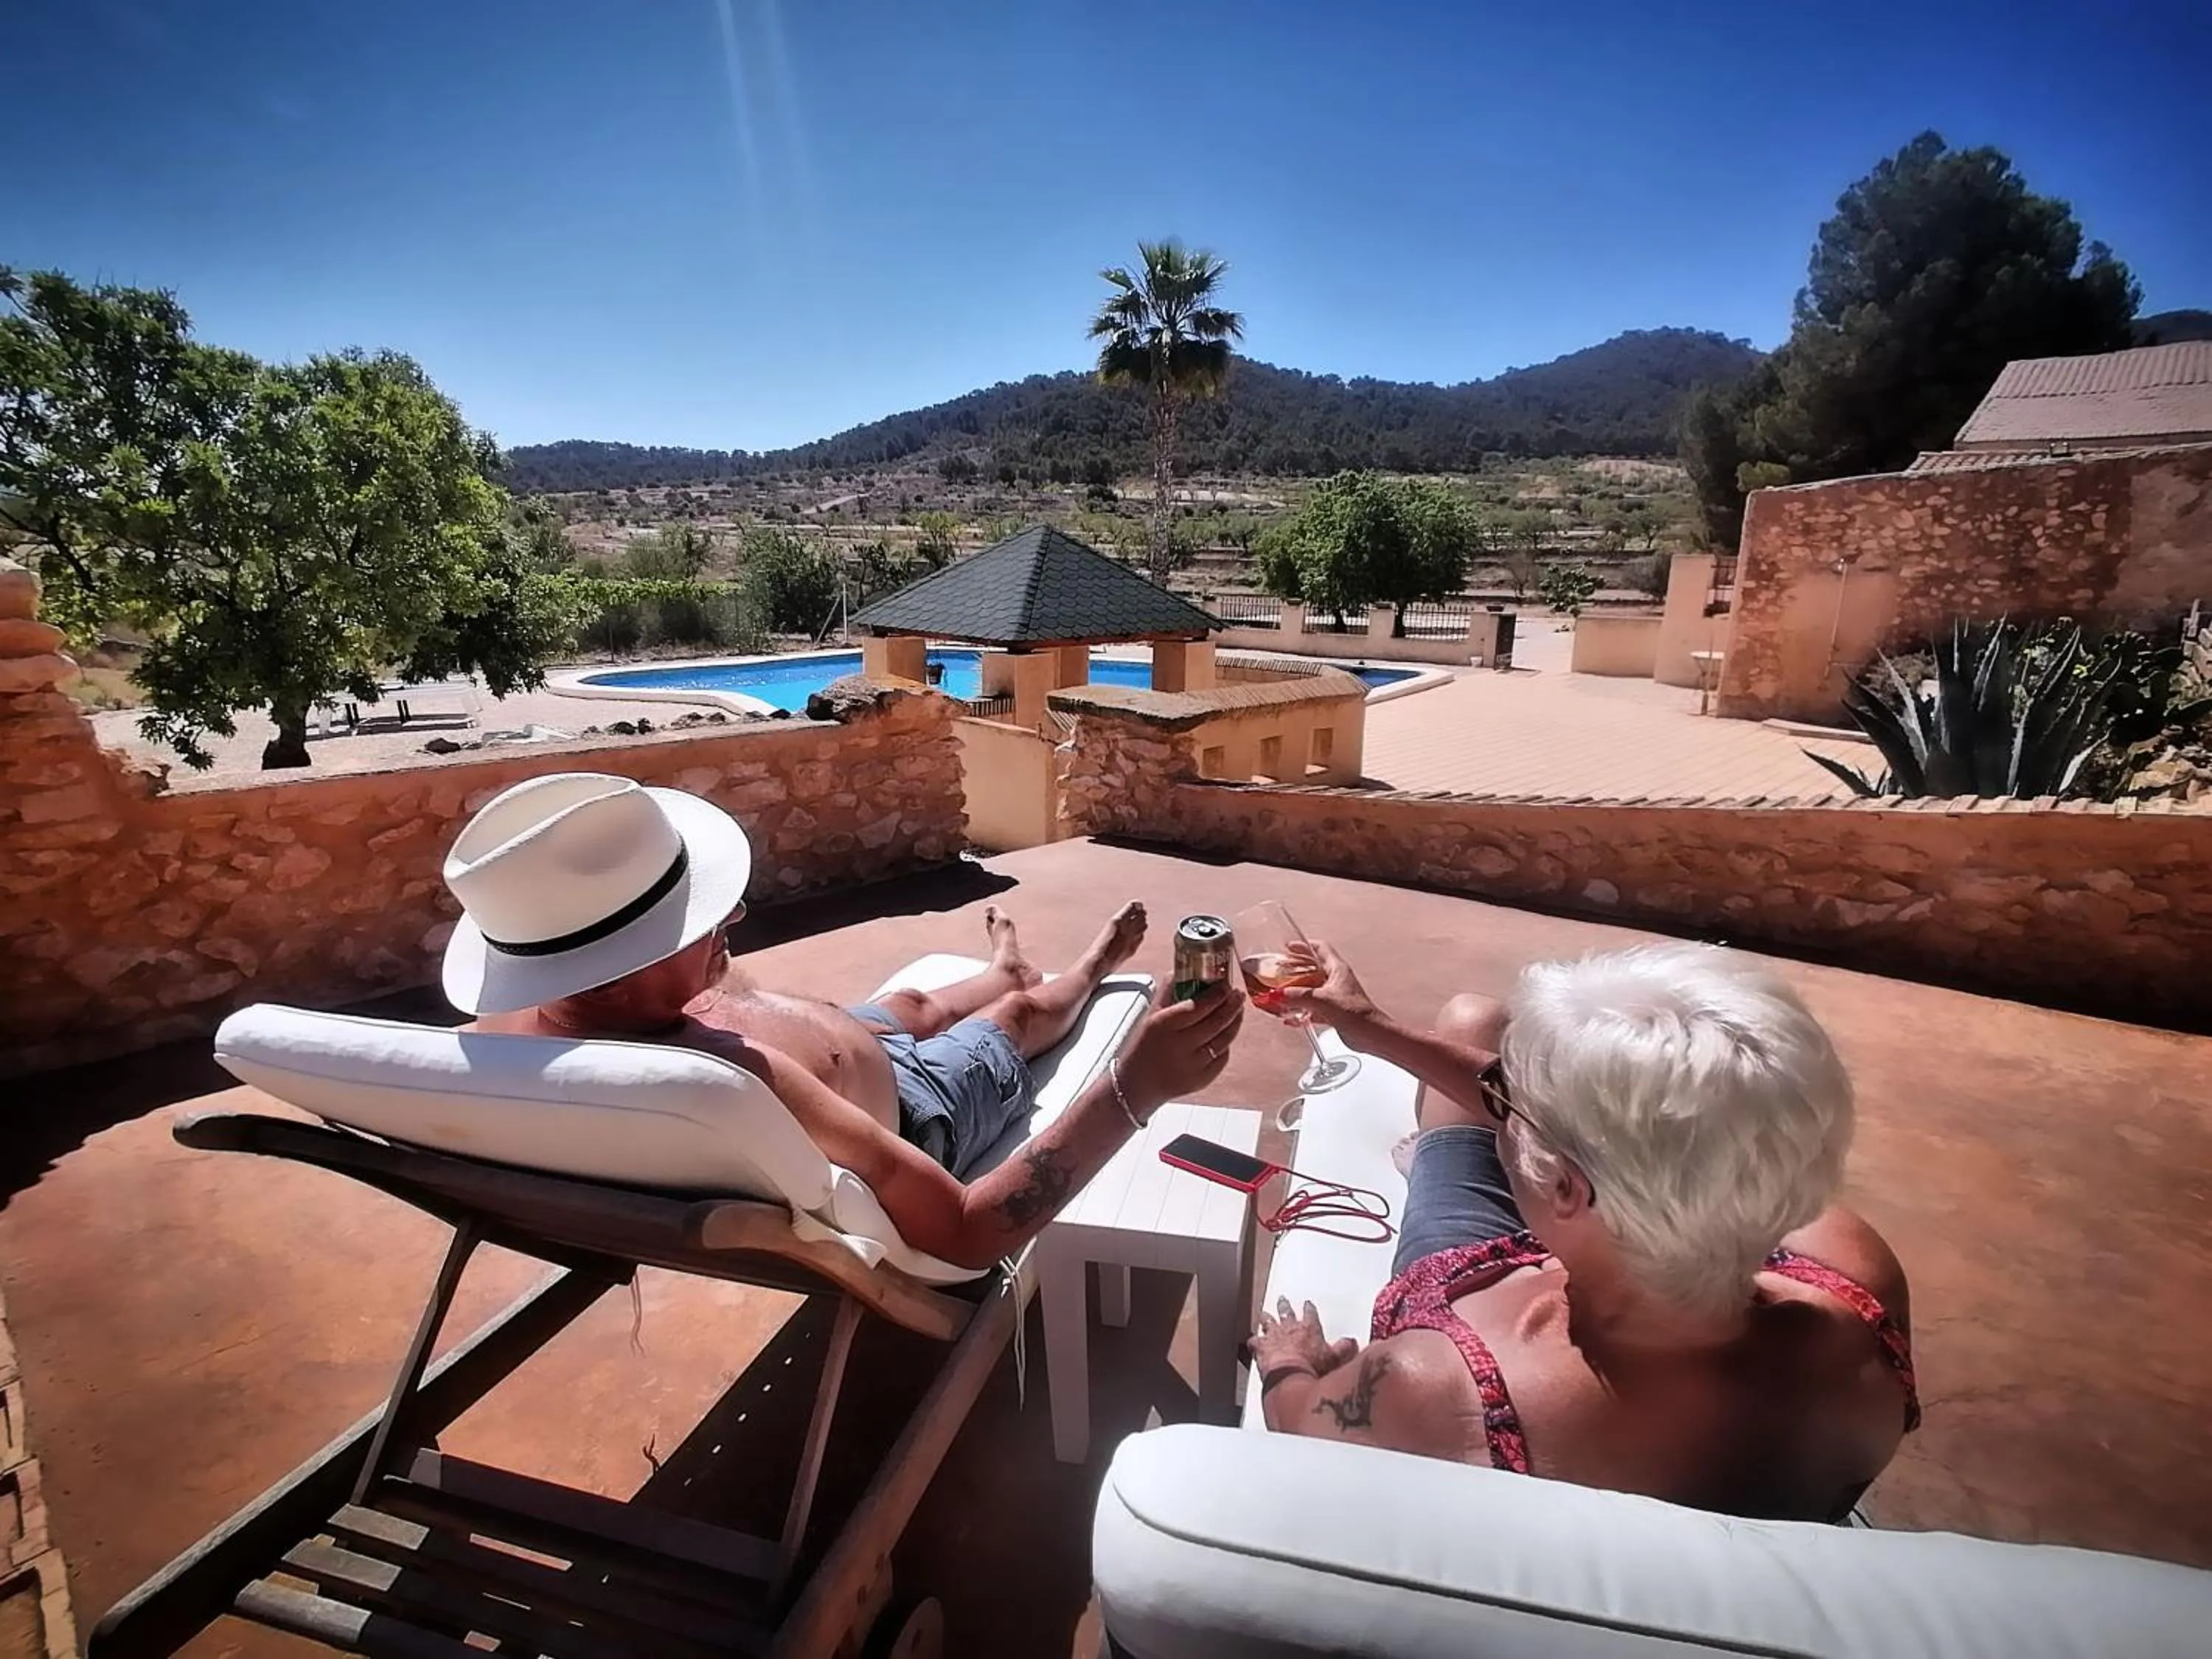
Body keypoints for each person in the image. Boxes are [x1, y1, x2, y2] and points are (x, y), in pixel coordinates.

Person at [439, 772, 1244, 1268]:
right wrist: (1136, 1084)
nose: (734, 917)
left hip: (845, 1047)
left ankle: (998, 965)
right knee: (1017, 1015)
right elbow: (966, 1232)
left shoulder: (484, 1050)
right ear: (642, 952)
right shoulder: (723, 1084)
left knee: (915, 1006)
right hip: (916, 1109)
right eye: (708, 916)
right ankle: (1087, 970)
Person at [1247, 938, 1916, 1522]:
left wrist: (1290, 1360)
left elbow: (1299, 1421)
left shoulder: (1433, 1387)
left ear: (1565, 1184)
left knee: (1469, 1023)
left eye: (1509, 1103)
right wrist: (1373, 1029)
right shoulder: (1852, 1268)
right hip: (1605, 1233)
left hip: (1476, 1270)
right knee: (1476, 1019)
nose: (1500, 1104)